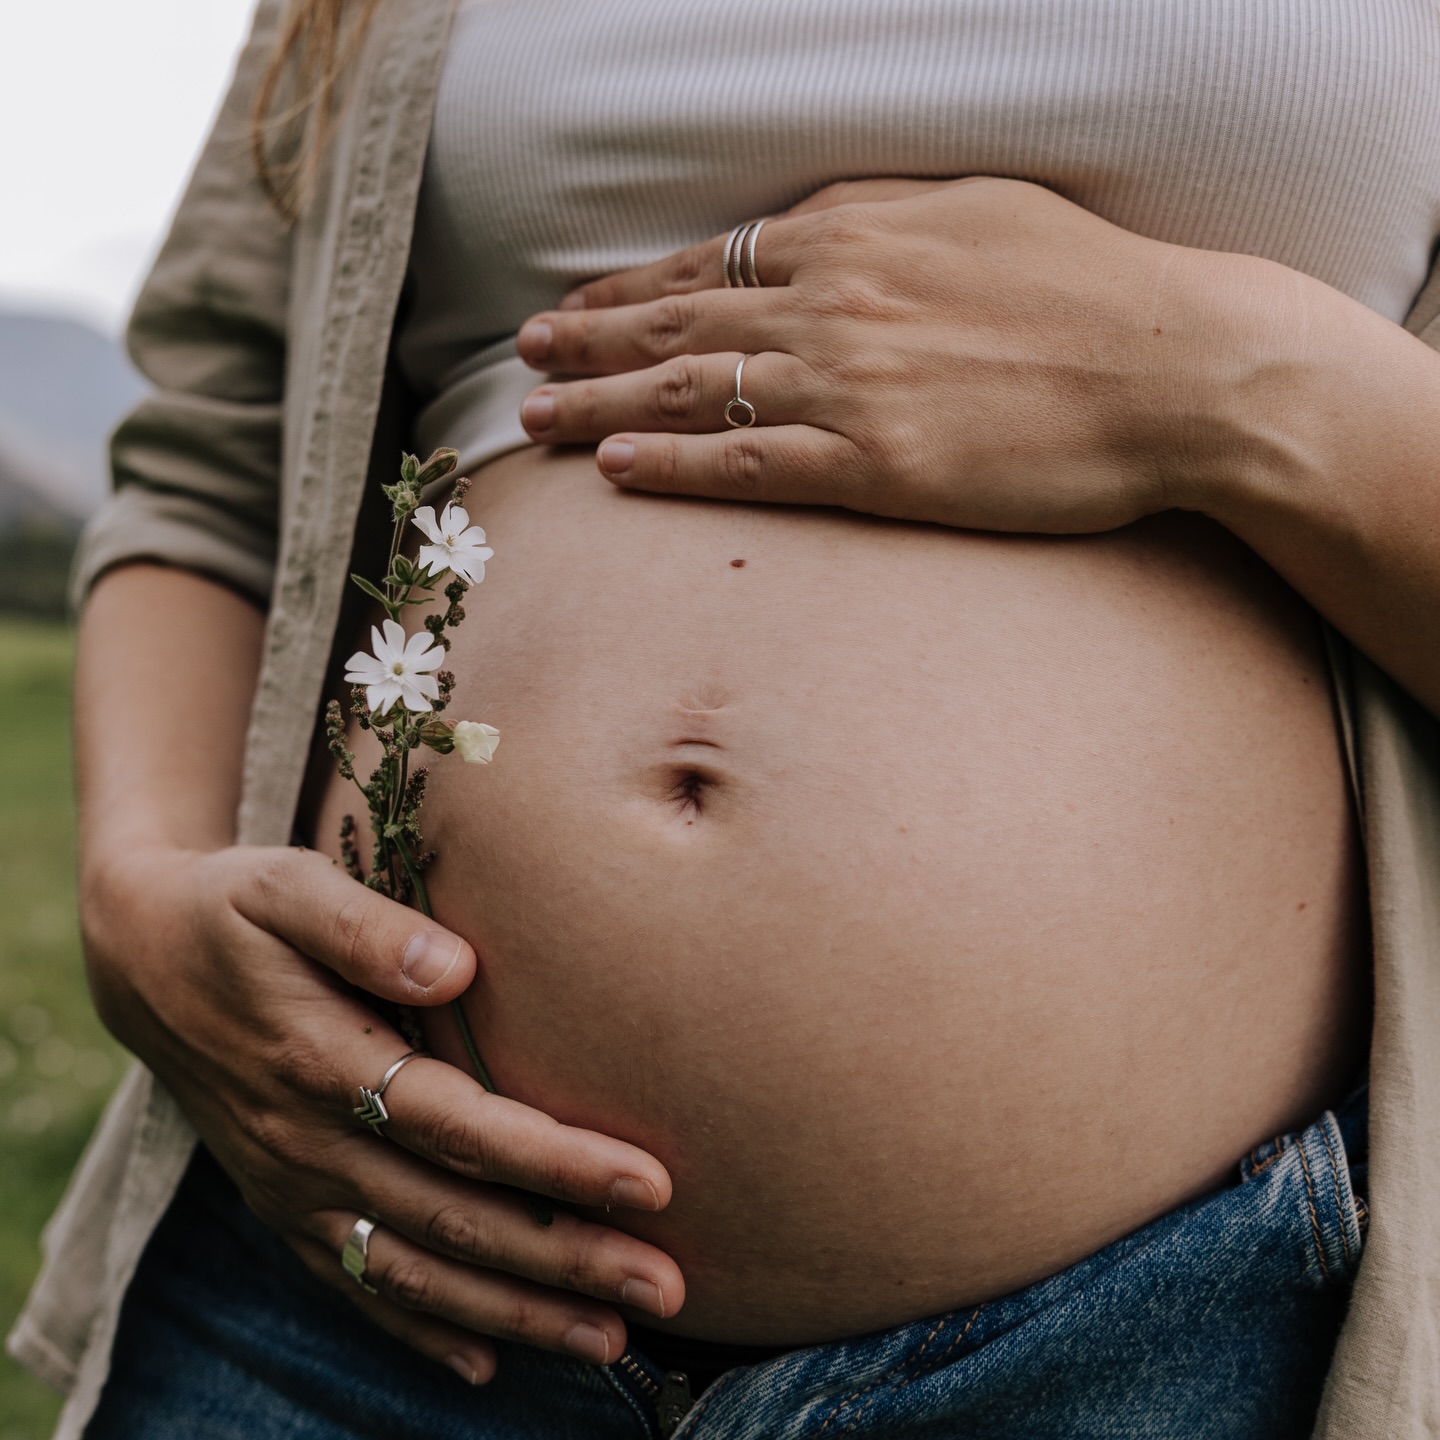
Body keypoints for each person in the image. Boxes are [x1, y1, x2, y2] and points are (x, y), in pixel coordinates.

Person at [10, 0, 1440, 1435]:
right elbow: (214, 461)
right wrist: (138, 891)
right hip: (356, 1282)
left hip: (1153, 1328)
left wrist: (1230, 383)